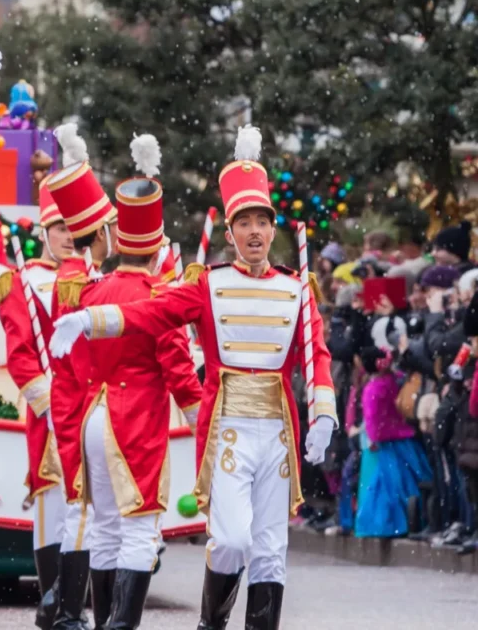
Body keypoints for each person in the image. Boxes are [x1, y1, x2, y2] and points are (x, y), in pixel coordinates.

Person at [49, 126, 339, 630]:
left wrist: (324, 413)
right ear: (229, 233)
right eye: (243, 222)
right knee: (231, 541)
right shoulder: (208, 284)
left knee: (271, 549)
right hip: (227, 428)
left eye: (262, 223)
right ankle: (212, 623)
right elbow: (151, 312)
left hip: (278, 433)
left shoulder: (298, 288)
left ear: (274, 231)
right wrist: (90, 321)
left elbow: (317, 354)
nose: (253, 232)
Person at [70, 135, 202, 630]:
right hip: (135, 419)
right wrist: (199, 417)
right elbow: (176, 365)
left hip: (92, 415)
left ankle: (105, 622)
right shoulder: (156, 296)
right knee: (142, 528)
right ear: (158, 247)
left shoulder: (93, 290)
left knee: (104, 528)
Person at [43, 122, 120, 630]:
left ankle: (72, 608)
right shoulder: (77, 282)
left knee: (96, 513)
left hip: (84, 400)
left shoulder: (83, 277)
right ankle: (70, 611)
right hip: (79, 400)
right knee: (85, 511)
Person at [0, 177, 73, 628]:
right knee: (54, 505)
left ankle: (74, 601)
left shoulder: (90, 279)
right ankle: (52, 600)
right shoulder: (21, 283)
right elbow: (20, 354)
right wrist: (51, 402)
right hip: (50, 412)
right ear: (44, 232)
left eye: (72, 228)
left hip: (91, 409)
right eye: (59, 228)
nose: (66, 237)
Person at [354, 344, 432, 538]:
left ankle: (396, 524)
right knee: (413, 478)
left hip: (388, 442)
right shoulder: (396, 380)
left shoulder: (372, 388)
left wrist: (372, 437)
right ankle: (417, 519)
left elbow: (371, 419)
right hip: (405, 439)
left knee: (390, 484)